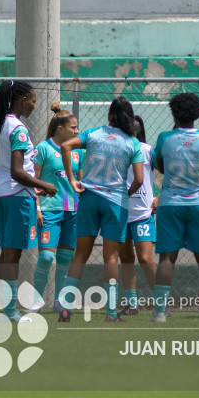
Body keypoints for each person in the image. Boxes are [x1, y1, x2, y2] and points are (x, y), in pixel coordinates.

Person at [0, 81, 56, 322]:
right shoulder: (18, 128)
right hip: (16, 196)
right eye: (32, 100)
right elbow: (17, 172)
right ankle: (10, 311)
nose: (34, 105)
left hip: (0, 194)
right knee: (12, 256)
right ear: (21, 100)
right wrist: (44, 185)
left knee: (6, 255)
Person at [59, 96, 144, 323]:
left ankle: (66, 307)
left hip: (88, 198)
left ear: (109, 115)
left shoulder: (92, 133)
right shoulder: (131, 143)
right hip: (115, 201)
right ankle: (111, 313)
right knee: (111, 258)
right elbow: (139, 178)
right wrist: (126, 193)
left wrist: (71, 180)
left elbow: (65, 146)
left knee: (80, 254)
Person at [150, 93, 199, 324]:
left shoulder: (164, 138)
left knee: (166, 259)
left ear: (174, 113)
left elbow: (160, 166)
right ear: (198, 113)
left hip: (170, 203)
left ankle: (160, 313)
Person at [28, 103, 82, 313]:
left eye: (77, 128)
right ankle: (37, 301)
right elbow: (34, 180)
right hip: (49, 210)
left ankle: (60, 302)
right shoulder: (43, 148)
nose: (77, 132)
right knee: (45, 257)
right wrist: (38, 208)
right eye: (73, 128)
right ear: (60, 128)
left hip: (73, 212)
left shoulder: (77, 152)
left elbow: (79, 180)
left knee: (65, 260)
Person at [118, 115, 157, 316]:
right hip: (120, 213)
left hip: (142, 214)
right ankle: (131, 304)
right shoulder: (115, 151)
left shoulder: (148, 150)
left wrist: (161, 196)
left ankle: (161, 303)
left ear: (134, 133)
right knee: (125, 258)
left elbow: (172, 172)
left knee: (145, 258)